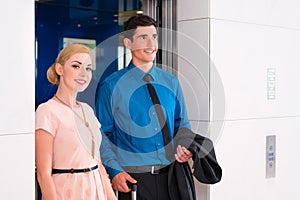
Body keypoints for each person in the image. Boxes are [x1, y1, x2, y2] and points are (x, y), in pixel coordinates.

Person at [96, 15, 194, 200]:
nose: (151, 44)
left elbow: (182, 124)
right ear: (128, 43)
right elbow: (102, 135)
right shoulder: (111, 86)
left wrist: (185, 146)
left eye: (154, 37)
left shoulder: (171, 82)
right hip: (133, 180)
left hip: (171, 178)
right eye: (143, 37)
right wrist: (114, 171)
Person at [35, 44, 117, 200]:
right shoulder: (47, 111)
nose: (83, 74)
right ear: (60, 69)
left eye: (88, 68)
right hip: (67, 190)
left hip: (96, 189)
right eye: (76, 66)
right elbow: (43, 174)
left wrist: (111, 197)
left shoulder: (87, 110)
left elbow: (97, 162)